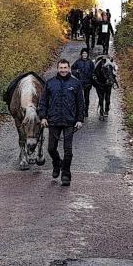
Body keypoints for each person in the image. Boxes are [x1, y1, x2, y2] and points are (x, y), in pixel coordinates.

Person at [40, 57, 85, 187]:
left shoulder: (75, 84)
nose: (63, 70)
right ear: (57, 68)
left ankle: (66, 174)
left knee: (68, 151)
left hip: (69, 121)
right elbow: (43, 102)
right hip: (53, 121)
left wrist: (80, 120)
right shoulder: (50, 83)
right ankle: (57, 163)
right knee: (51, 149)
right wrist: (43, 117)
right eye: (61, 68)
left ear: (69, 68)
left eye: (65, 68)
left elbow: (80, 103)